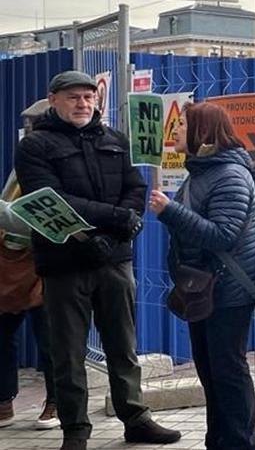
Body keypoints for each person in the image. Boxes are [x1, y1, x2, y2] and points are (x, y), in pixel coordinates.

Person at [13, 71, 181, 450]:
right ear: (53, 99)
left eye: (89, 98)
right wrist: (104, 227)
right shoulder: (35, 145)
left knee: (123, 345)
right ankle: (75, 430)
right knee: (67, 351)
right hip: (64, 263)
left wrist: (118, 228)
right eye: (73, 97)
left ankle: (136, 419)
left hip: (114, 260)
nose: (83, 104)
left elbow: (134, 189)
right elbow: (48, 199)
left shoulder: (114, 140)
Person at [148, 102, 255, 450]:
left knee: (228, 373)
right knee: (210, 372)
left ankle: (243, 444)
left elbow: (223, 235)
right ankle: (219, 442)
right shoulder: (200, 172)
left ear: (203, 131)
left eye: (182, 124)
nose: (175, 131)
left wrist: (171, 211)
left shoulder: (230, 174)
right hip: (203, 288)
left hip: (229, 290)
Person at [0, 99, 58, 431]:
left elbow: (36, 216)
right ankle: (4, 399)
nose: (29, 133)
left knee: (50, 335)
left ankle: (56, 401)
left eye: (35, 126)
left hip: (45, 259)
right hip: (12, 259)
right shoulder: (24, 159)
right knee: (3, 332)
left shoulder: (54, 161)